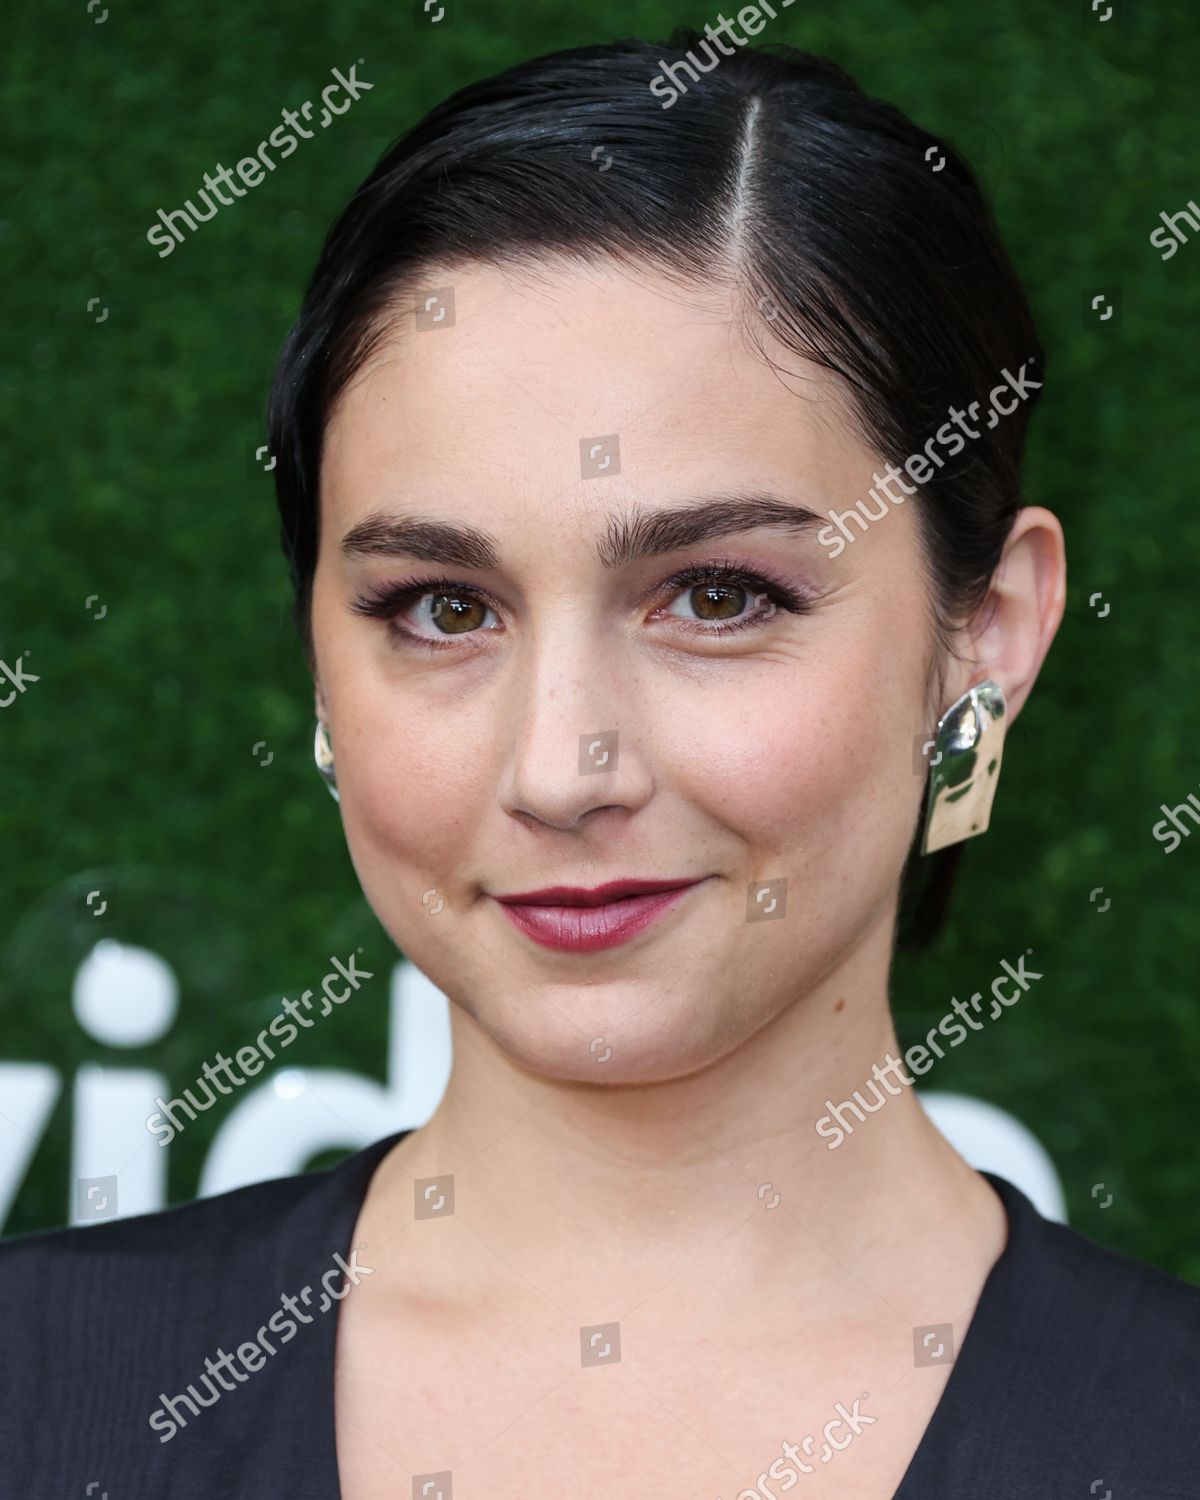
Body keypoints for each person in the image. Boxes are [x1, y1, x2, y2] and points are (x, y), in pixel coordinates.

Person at [2, 30, 1197, 1499]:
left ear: (989, 634)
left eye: (717, 596)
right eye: (443, 609)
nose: (562, 770)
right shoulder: (36, 1396)